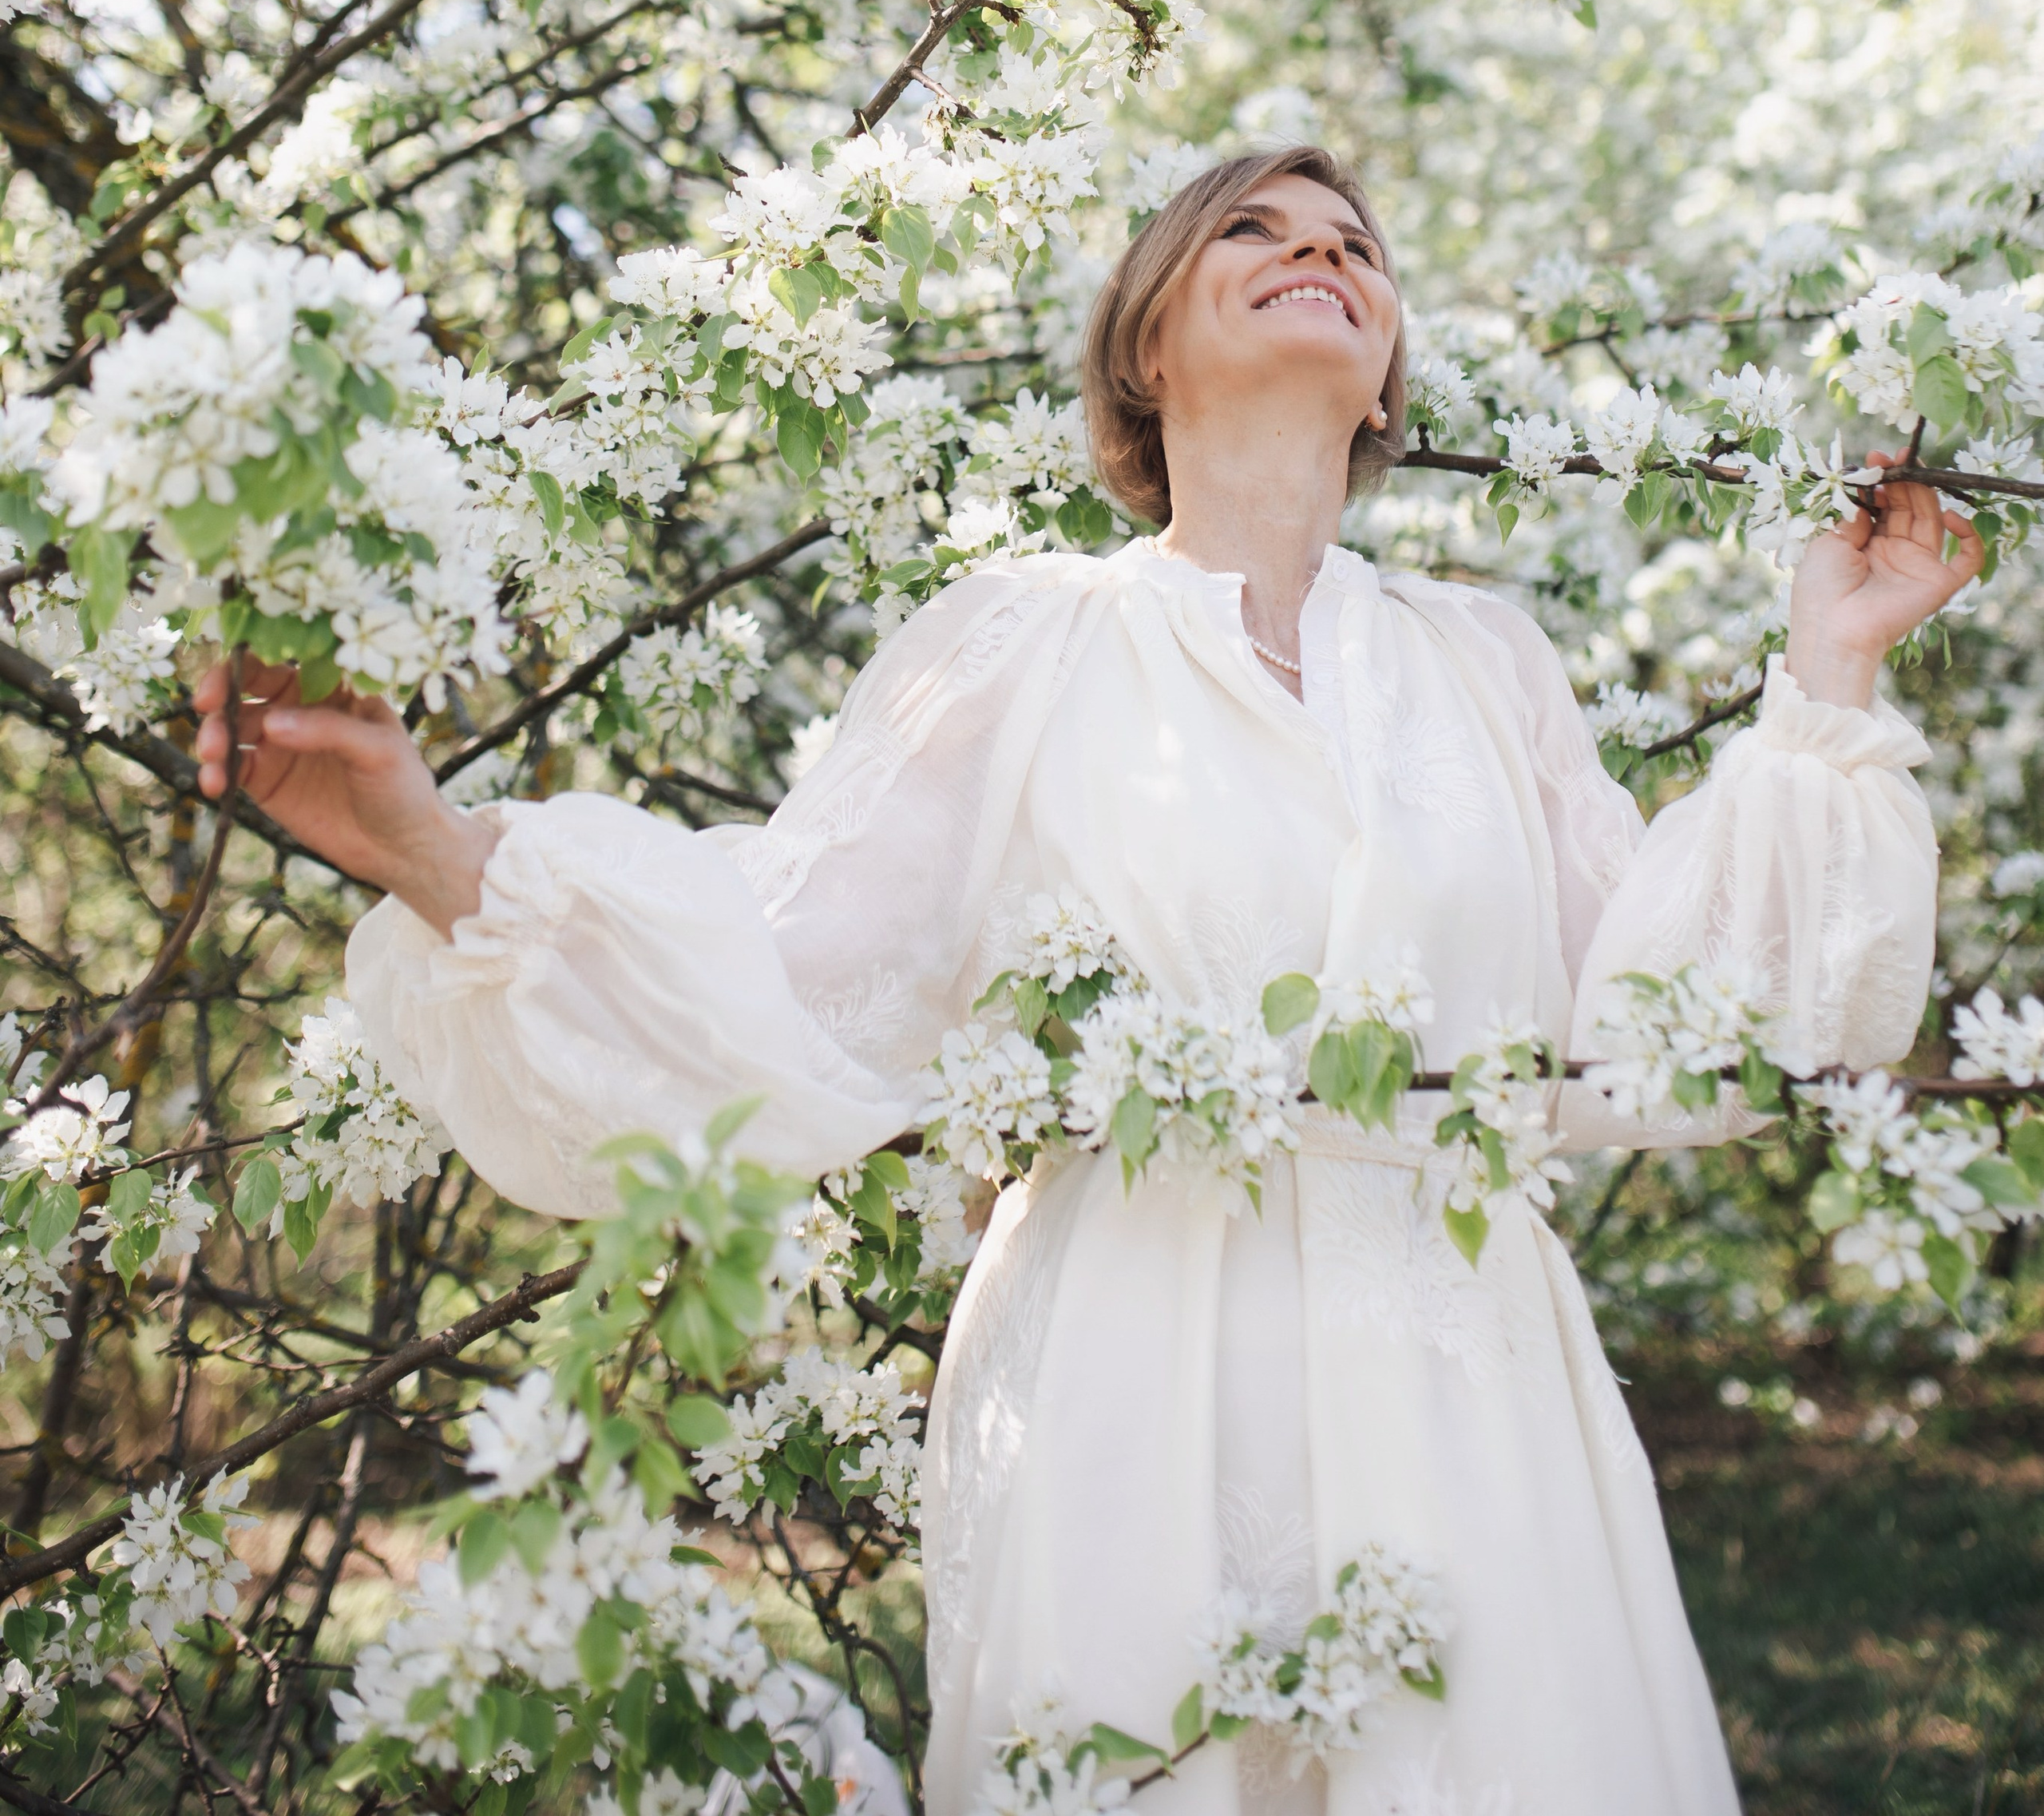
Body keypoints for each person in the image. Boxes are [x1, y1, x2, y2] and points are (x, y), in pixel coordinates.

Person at [196, 145, 1982, 1816]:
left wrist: (1826, 667)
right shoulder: (1020, 641)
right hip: (1133, 1371)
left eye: (1353, 246)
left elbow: (1664, 1018)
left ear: (1382, 390)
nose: (1318, 253)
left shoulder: (1481, 663)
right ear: (1144, 351)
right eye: (1256, 231)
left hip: (1468, 1371)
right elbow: (781, 975)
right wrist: (432, 849)